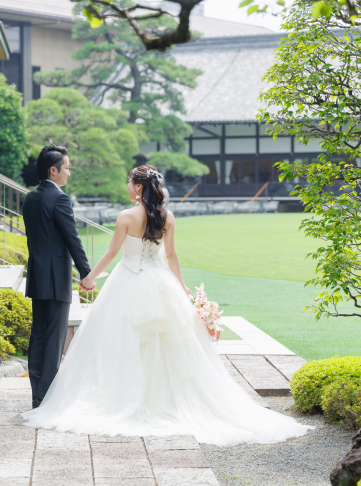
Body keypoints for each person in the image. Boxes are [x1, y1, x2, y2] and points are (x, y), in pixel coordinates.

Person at [21, 165, 313, 445]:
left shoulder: (125, 217)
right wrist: (182, 285)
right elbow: (171, 256)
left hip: (128, 281)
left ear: (137, 187)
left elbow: (111, 254)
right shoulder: (167, 216)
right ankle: (162, 399)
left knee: (126, 342)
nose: (127, 185)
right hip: (160, 283)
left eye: (129, 181)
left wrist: (89, 278)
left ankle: (129, 397)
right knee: (165, 344)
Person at [23, 145, 93, 410]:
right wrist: (86, 273)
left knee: (38, 336)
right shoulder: (60, 199)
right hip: (56, 277)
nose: (69, 173)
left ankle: (37, 395)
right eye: (67, 168)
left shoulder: (29, 198)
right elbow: (72, 239)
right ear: (54, 170)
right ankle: (48, 398)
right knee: (54, 339)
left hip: (37, 276)